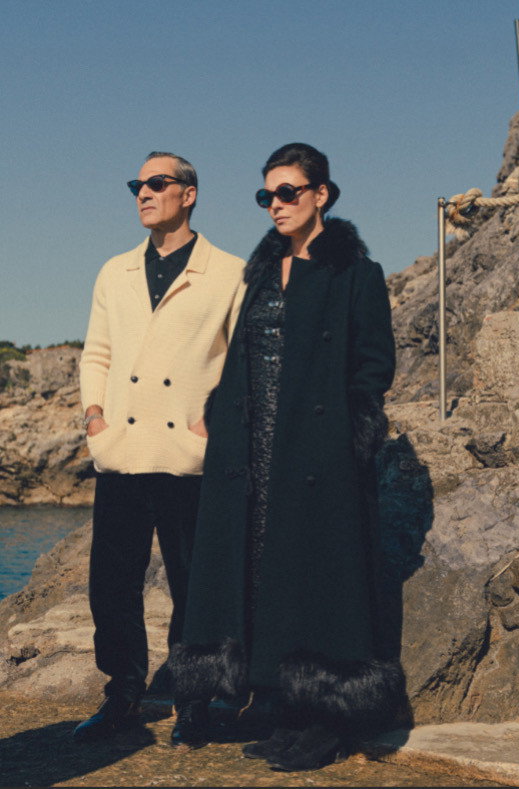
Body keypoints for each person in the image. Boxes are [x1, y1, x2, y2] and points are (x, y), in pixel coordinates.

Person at [168, 143, 405, 771]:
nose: (275, 204)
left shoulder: (357, 273)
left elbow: (374, 366)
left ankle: (328, 720)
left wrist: (349, 435)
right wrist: (220, 414)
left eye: (287, 192)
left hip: (318, 449)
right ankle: (284, 709)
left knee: (318, 576)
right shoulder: (261, 273)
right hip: (253, 447)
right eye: (265, 195)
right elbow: (240, 356)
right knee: (262, 571)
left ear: (321, 194)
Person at [73, 152, 245, 743]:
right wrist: (94, 417)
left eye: (156, 183)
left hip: (190, 459)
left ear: (188, 194)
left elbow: (243, 363)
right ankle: (123, 693)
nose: (142, 193)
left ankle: (195, 702)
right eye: (137, 185)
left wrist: (213, 425)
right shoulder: (114, 271)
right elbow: (96, 353)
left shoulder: (229, 272)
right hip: (121, 451)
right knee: (111, 586)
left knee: (195, 588)